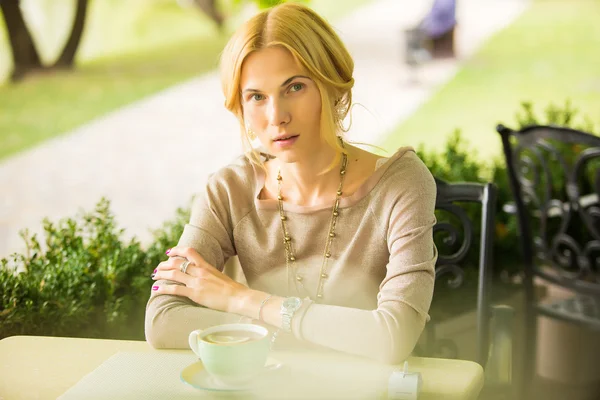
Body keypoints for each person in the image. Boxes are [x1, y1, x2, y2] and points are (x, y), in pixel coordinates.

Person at [145, 2, 437, 365]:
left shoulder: (401, 184)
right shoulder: (228, 190)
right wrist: (339, 334)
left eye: (295, 87)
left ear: (332, 87)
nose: (276, 116)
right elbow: (162, 321)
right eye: (256, 97)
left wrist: (240, 300)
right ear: (240, 107)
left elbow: (392, 337)